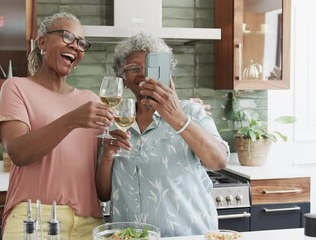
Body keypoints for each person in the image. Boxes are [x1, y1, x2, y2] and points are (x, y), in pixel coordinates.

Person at [95, 32, 230, 237]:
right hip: (131, 236)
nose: (142, 74)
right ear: (123, 78)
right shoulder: (113, 121)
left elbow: (218, 161)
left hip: (187, 235)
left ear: (166, 73)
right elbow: (104, 194)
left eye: (151, 67)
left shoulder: (191, 112)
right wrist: (107, 155)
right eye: (133, 68)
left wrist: (176, 117)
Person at [0, 12, 112, 240]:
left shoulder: (91, 100)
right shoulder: (17, 88)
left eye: (81, 43)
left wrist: (109, 154)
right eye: (67, 37)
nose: (76, 47)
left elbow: (104, 188)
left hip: (89, 223)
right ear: (42, 42)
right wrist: (72, 120)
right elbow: (18, 152)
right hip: (34, 219)